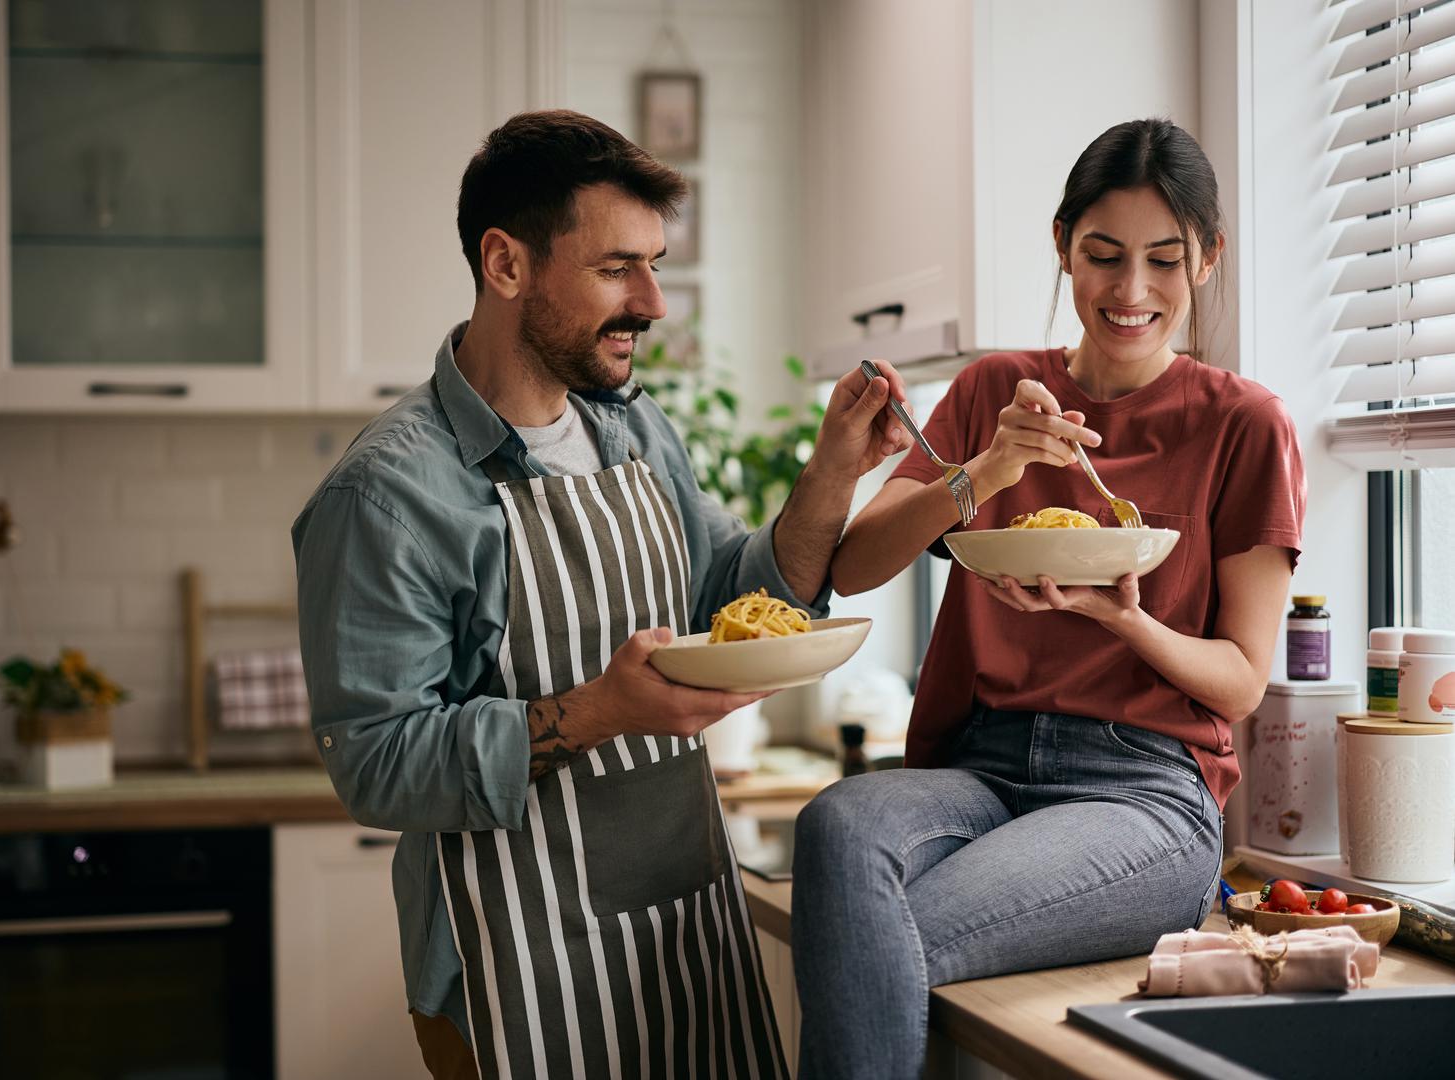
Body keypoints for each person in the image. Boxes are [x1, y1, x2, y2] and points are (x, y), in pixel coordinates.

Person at [291, 109, 913, 1079]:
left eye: (656, 263)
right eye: (619, 267)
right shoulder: (389, 495)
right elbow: (374, 762)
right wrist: (600, 711)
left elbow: (733, 596)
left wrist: (835, 469)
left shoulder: (634, 429)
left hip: (683, 929)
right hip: (511, 961)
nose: (655, 301)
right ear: (506, 265)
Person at [790, 117, 1305, 1077]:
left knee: (884, 937)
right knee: (837, 822)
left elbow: (1238, 683)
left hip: (1142, 792)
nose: (1131, 291)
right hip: (981, 765)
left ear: (1208, 260)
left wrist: (1123, 614)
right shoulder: (996, 389)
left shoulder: (1246, 424)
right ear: (1063, 243)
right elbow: (851, 567)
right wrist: (986, 470)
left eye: (1164, 260)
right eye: (1103, 256)